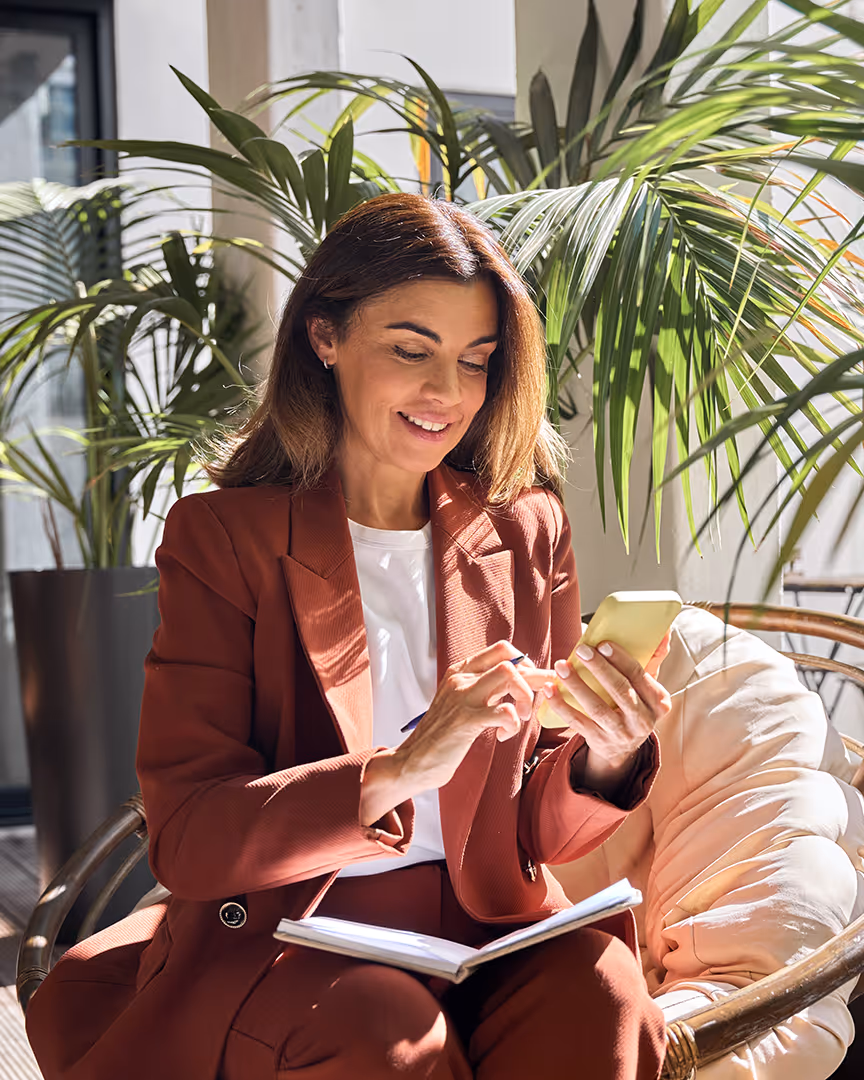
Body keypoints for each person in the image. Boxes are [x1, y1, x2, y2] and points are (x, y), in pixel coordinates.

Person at [25, 193, 671, 1080]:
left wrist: (605, 757)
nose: (448, 393)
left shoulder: (528, 529)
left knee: (602, 991)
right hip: (292, 936)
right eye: (411, 349)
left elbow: (539, 830)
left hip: (488, 928)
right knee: (387, 1030)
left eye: (476, 360)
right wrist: (395, 771)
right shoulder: (224, 539)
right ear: (324, 337)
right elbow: (189, 837)